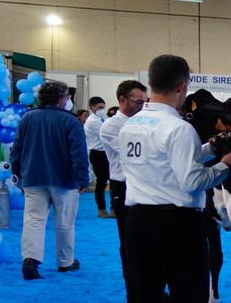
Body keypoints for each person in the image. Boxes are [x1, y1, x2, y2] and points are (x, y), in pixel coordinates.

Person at [120, 54, 231, 303]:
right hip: (177, 225)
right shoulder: (179, 129)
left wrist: (208, 149)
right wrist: (223, 165)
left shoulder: (129, 126)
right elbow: (191, 180)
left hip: (137, 221)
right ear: (182, 87)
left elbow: (166, 162)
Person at [10, 80, 89, 280]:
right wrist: (82, 178)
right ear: (62, 99)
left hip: (33, 177)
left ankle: (30, 261)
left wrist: (17, 172)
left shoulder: (28, 118)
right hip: (64, 179)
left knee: (33, 221)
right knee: (64, 223)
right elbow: (78, 153)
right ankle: (65, 262)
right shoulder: (71, 120)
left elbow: (16, 148)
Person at [99, 79, 148, 258]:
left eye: (145, 102)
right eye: (138, 102)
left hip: (145, 185)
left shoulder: (145, 121)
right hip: (124, 186)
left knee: (148, 240)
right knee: (128, 240)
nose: (142, 106)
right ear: (122, 100)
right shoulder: (110, 126)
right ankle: (133, 284)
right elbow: (133, 155)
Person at [85, 96, 112, 218]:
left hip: (107, 153)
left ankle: (114, 208)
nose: (102, 109)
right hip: (97, 154)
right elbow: (107, 134)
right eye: (99, 107)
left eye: (103, 107)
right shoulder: (92, 121)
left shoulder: (103, 118)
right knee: (101, 182)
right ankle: (101, 209)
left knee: (114, 181)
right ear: (92, 108)